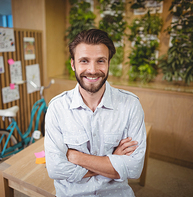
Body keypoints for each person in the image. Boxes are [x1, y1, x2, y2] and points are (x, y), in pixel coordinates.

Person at [44, 29, 146, 197]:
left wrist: (77, 158)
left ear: (108, 64)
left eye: (100, 61)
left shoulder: (131, 105)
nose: (92, 70)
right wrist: (113, 162)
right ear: (73, 64)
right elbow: (55, 169)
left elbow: (134, 169)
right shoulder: (57, 108)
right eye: (84, 61)